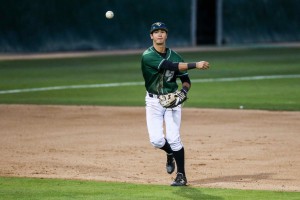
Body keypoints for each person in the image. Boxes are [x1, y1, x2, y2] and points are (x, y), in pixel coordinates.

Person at [141, 22, 210, 186]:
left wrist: (183, 92)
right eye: (156, 32)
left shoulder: (176, 55)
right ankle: (170, 153)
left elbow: (186, 81)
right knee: (157, 141)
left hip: (173, 100)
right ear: (151, 36)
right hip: (153, 102)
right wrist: (196, 64)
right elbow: (170, 66)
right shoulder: (147, 56)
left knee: (174, 137)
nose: (159, 34)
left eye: (162, 32)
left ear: (166, 35)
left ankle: (181, 176)